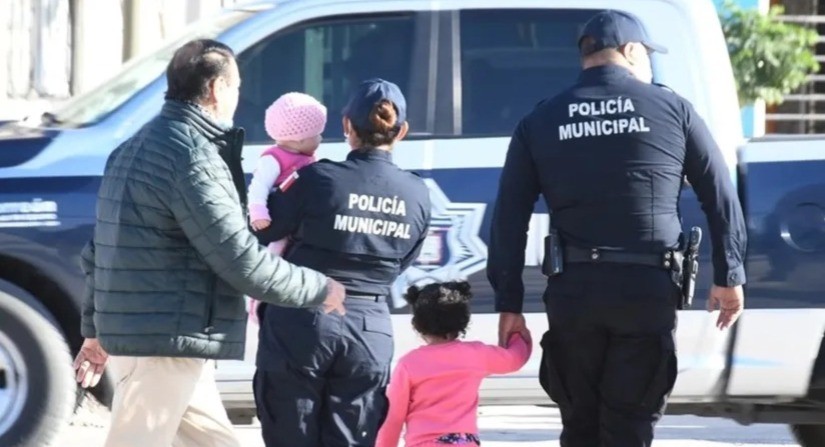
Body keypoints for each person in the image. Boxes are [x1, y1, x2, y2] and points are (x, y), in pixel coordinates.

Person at [486, 10, 747, 447]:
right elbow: (720, 195)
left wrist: (508, 302)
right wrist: (729, 274)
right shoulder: (674, 110)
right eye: (647, 54)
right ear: (630, 51)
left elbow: (509, 217)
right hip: (646, 291)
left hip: (574, 292)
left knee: (579, 425)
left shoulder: (541, 120)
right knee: (630, 426)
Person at [71, 39, 345, 447]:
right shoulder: (192, 158)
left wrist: (94, 332)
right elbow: (240, 259)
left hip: (164, 340)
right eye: (237, 86)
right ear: (217, 88)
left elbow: (100, 250)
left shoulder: (133, 148)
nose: (238, 96)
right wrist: (319, 287)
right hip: (165, 342)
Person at [253, 78, 431, 447]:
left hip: (301, 321)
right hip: (370, 328)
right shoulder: (417, 193)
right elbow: (403, 263)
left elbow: (264, 231)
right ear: (402, 132)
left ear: (347, 125)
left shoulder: (316, 178)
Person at [375, 281, 531, 447]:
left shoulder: (408, 363)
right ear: (463, 321)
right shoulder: (475, 354)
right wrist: (517, 333)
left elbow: (393, 417)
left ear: (417, 324)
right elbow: (514, 360)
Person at [246, 91, 328, 324]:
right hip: (279, 222)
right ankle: (257, 300)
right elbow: (258, 187)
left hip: (298, 220)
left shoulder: (306, 157)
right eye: (317, 135)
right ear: (298, 139)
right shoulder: (273, 159)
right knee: (274, 258)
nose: (321, 139)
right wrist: (258, 212)